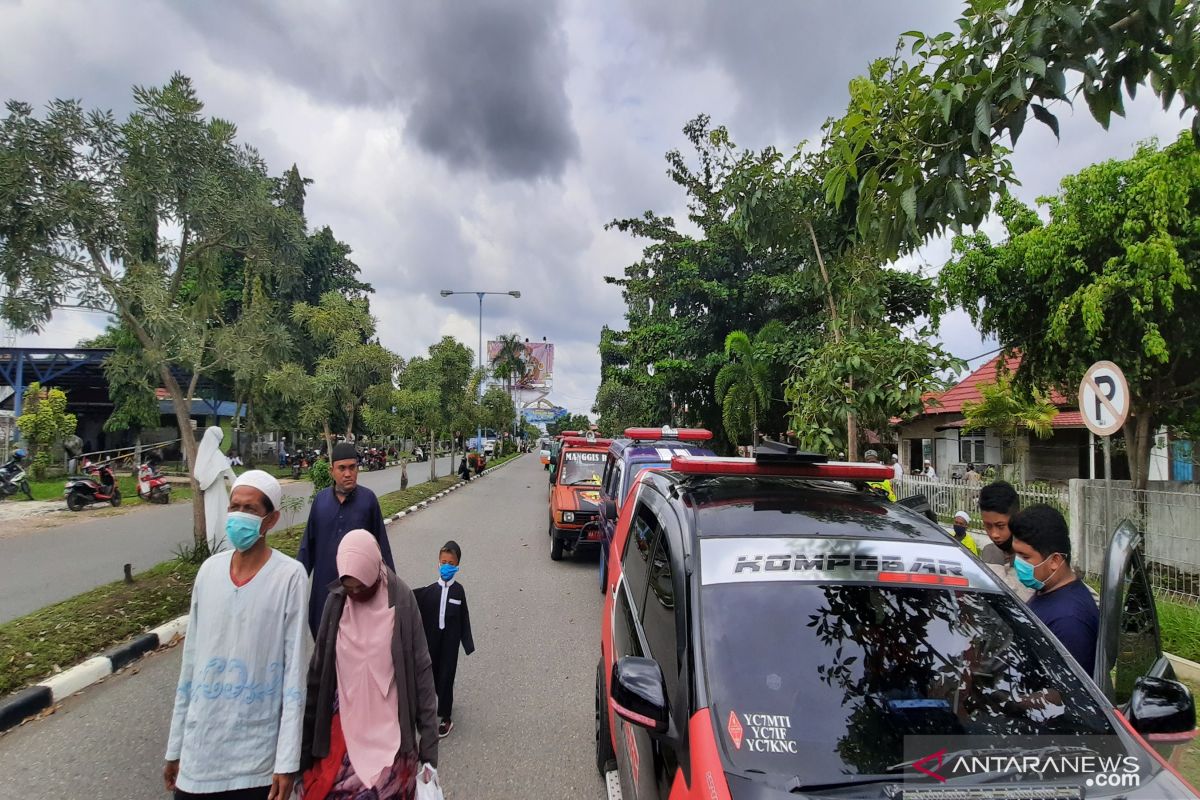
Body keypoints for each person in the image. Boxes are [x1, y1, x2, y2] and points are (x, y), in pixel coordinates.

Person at [164, 470, 309, 800]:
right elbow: (190, 664)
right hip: (199, 758)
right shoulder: (209, 572)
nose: (238, 516)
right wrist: (175, 747)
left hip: (254, 762)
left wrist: (286, 762)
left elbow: (294, 676)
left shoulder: (290, 577)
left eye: (250, 509)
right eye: (234, 507)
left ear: (271, 520)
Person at [300, 531, 439, 799]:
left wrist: (429, 751)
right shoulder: (337, 602)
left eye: (361, 587)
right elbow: (317, 676)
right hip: (341, 736)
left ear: (376, 571)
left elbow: (422, 673)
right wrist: (303, 752)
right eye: (349, 587)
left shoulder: (402, 602)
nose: (355, 594)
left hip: (393, 738)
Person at [299, 443, 394, 637]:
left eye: (352, 467)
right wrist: (295, 584)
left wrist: (392, 592)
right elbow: (307, 548)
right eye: (342, 468)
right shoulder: (320, 502)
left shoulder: (368, 500)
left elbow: (382, 548)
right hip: (323, 592)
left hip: (359, 593)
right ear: (331, 470)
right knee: (324, 646)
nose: (348, 473)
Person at [1010, 504, 1099, 675]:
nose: (1017, 562)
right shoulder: (1046, 590)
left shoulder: (1069, 620)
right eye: (1017, 554)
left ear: (1054, 561)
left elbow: (1067, 693)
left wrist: (1012, 700)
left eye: (1025, 557)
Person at [415, 541, 475, 739]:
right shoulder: (428, 592)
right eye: (443, 562)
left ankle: (445, 717)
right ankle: (429, 708)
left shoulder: (459, 591)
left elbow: (464, 616)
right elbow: (408, 601)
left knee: (446, 677)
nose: (446, 566)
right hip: (431, 640)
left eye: (451, 562)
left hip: (450, 642)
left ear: (457, 565)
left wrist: (467, 643)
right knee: (430, 676)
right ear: (438, 563)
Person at [978, 480, 1033, 601]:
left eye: (1001, 526)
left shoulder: (1033, 556)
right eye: (988, 526)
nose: (994, 534)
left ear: (1016, 517)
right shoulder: (990, 553)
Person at [194, 427, 238, 553]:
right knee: (222, 519)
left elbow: (199, 475)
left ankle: (214, 549)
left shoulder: (202, 456)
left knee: (213, 520)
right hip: (219, 494)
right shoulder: (217, 455)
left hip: (209, 494)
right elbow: (232, 477)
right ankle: (224, 549)